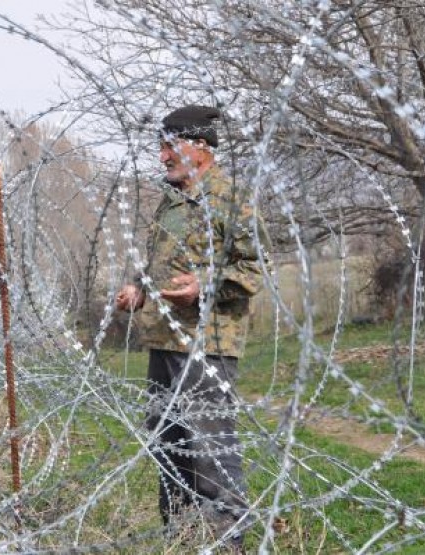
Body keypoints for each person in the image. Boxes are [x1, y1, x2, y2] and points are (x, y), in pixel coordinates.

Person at [116, 105, 268, 548]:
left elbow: (257, 266)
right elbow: (162, 268)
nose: (162, 157)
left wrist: (205, 286)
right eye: (161, 147)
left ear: (200, 149)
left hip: (207, 346)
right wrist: (140, 290)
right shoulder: (172, 202)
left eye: (169, 146)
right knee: (171, 451)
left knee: (208, 454)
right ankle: (184, 540)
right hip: (164, 343)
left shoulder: (228, 198)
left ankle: (227, 545)